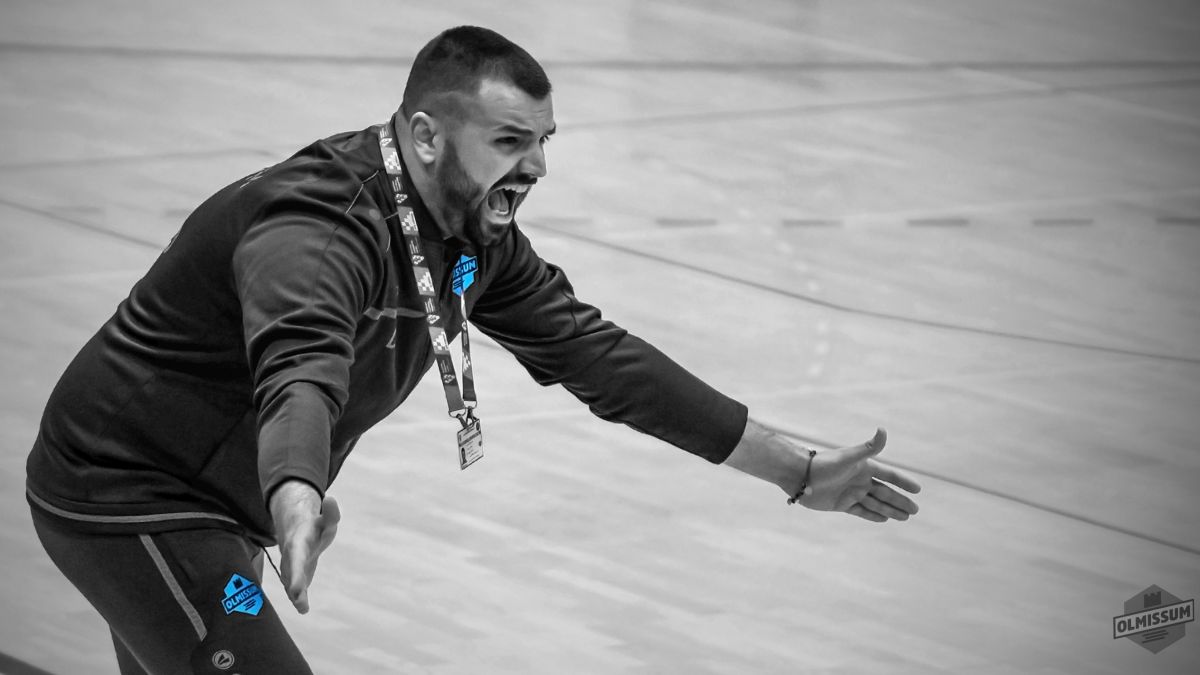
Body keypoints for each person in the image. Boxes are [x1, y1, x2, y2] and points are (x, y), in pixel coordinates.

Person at [26, 25, 921, 674]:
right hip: (130, 498)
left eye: (543, 141)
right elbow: (301, 364)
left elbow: (602, 360)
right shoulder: (317, 228)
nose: (536, 167)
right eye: (509, 141)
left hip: (225, 507)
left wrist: (797, 470)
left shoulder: (470, 235)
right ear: (424, 136)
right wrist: (295, 489)